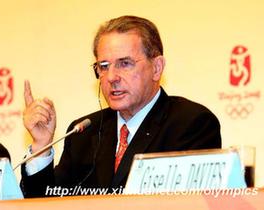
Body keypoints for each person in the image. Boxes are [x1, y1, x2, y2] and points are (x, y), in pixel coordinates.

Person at [21, 15, 221, 198]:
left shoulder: (191, 124)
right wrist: (41, 146)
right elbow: (47, 203)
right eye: (104, 66)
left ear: (157, 68)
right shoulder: (83, 133)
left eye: (125, 63)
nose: (111, 77)